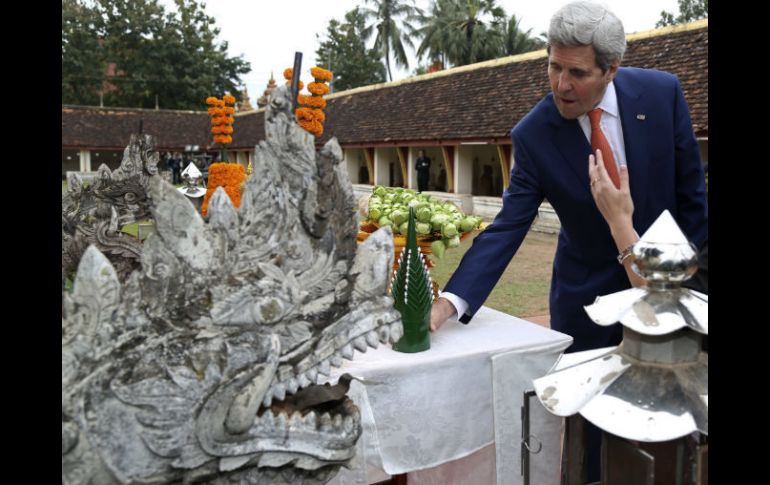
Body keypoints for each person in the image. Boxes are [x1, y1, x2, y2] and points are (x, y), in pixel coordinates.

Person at [430, 1, 707, 482]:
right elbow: (508, 227)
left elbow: (692, 202)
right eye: (554, 67)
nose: (561, 84)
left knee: (673, 425)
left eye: (576, 73)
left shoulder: (662, 95)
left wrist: (690, 290)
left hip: (668, 292)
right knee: (589, 437)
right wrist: (450, 302)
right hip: (586, 300)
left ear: (611, 70)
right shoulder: (535, 134)